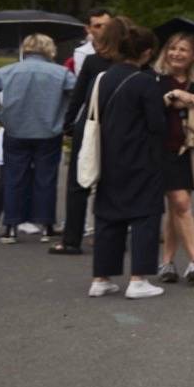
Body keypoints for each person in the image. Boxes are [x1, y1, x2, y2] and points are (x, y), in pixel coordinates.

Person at [88, 22, 167, 299]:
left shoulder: (103, 77)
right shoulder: (145, 81)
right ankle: (138, 278)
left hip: (108, 155)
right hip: (141, 156)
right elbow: (157, 124)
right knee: (145, 214)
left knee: (109, 216)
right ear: (146, 52)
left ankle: (101, 277)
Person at [0, 33, 75, 244]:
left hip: (15, 130)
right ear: (49, 50)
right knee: (46, 178)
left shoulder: (8, 71)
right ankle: (47, 225)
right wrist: (66, 118)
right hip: (49, 131)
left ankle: (10, 226)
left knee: (14, 178)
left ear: (26, 49)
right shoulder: (61, 73)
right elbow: (77, 95)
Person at [52, 16, 124, 256]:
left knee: (79, 181)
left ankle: (71, 239)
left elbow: (79, 96)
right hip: (121, 127)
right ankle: (113, 236)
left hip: (91, 124)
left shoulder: (94, 62)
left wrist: (68, 125)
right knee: (115, 183)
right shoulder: (133, 65)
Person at [152, 32, 194, 284]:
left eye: (183, 50)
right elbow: (147, 113)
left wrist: (193, 103)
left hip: (190, 152)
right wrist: (170, 100)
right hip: (162, 150)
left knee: (176, 208)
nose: (176, 53)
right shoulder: (154, 80)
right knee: (181, 203)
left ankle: (166, 263)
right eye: (172, 48)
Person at [66, 7, 112, 74]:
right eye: (98, 26)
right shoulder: (81, 53)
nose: (104, 29)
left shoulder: (122, 49)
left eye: (107, 25)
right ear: (88, 29)